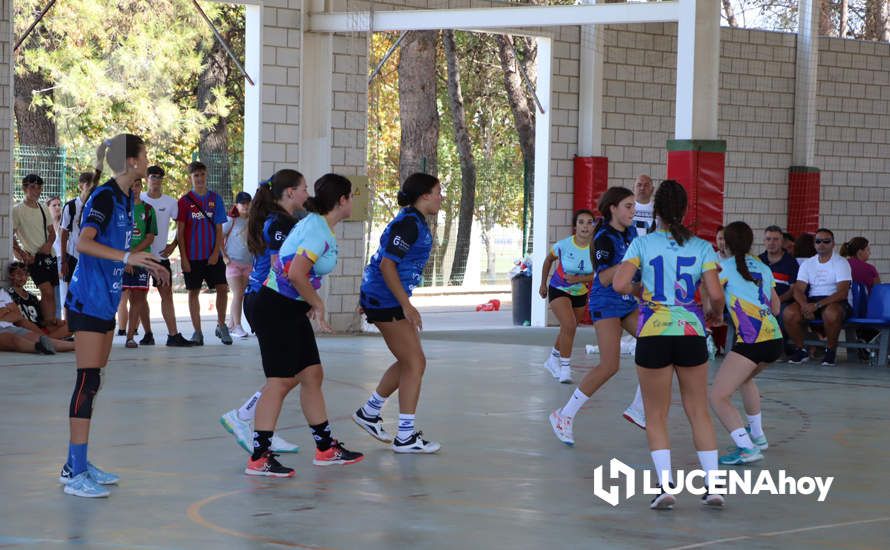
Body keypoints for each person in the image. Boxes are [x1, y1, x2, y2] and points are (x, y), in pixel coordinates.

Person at [61, 134, 168, 497]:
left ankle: (75, 462)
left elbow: (119, 247)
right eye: (144, 155)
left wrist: (146, 262)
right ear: (133, 162)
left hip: (106, 300)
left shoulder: (125, 199)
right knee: (87, 381)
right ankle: (75, 473)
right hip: (87, 300)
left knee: (96, 379)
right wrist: (127, 259)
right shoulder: (105, 196)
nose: (147, 160)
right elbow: (83, 242)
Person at [613, 180, 726, 509]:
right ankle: (714, 485)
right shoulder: (703, 247)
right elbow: (716, 295)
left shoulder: (643, 245)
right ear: (686, 211)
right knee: (698, 410)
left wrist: (641, 293)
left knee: (656, 414)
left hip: (654, 333)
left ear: (657, 212)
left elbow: (620, 283)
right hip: (691, 333)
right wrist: (713, 314)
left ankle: (666, 486)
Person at [246, 173, 363, 477]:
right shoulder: (317, 230)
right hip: (275, 308)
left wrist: (307, 301)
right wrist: (318, 303)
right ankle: (259, 456)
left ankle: (325, 449)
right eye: (351, 196)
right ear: (342, 200)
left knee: (312, 374)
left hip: (290, 308)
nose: (353, 201)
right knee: (280, 381)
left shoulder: (318, 225)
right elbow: (297, 273)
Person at [353, 173, 443, 453]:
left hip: (383, 297)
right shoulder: (408, 224)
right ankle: (404, 436)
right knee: (414, 363)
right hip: (386, 301)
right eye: (438, 191)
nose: (442, 197)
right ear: (424, 194)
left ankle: (371, 411)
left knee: (411, 362)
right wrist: (406, 305)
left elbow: (382, 260)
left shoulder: (413, 220)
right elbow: (386, 266)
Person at [219, 170, 306, 456]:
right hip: (267, 301)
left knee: (294, 372)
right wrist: (309, 295)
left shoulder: (280, 220)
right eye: (304, 188)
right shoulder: (277, 222)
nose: (307, 193)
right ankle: (253, 428)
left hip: (271, 301)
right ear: (289, 192)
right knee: (284, 374)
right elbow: (281, 267)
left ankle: (255, 425)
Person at [549, 187, 641, 445]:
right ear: (613, 208)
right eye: (628, 206)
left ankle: (639, 406)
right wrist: (628, 267)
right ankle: (564, 415)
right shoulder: (603, 238)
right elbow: (602, 277)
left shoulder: (632, 232)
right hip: (606, 302)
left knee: (655, 342)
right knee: (610, 365)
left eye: (634, 206)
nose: (633, 211)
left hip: (626, 299)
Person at [710, 221, 782, 466]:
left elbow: (712, 303)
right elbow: (776, 307)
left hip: (753, 340)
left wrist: (716, 312)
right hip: (774, 338)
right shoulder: (763, 266)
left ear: (726, 244)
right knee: (745, 379)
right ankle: (758, 436)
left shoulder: (724, 268)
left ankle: (746, 447)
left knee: (719, 396)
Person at [177, 161, 231, 345]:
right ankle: (197, 332)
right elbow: (180, 232)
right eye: (196, 176)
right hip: (192, 257)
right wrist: (184, 257)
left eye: (202, 175)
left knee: (222, 288)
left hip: (212, 255)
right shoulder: (184, 202)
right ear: (190, 178)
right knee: (193, 292)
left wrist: (216, 253)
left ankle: (221, 325)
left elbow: (219, 229)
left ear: (206, 175)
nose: (199, 179)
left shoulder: (215, 199)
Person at [539, 209, 597, 384]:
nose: (585, 226)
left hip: (580, 293)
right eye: (581, 222)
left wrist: (579, 279)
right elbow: (548, 260)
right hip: (559, 289)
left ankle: (552, 360)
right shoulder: (563, 245)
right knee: (569, 324)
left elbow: (599, 274)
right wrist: (543, 284)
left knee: (568, 328)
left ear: (594, 226)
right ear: (575, 226)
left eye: (589, 222)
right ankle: (565, 368)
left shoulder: (596, 248)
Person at [140, 165, 193, 347]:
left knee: (167, 295)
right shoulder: (138, 199)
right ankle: (147, 333)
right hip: (140, 256)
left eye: (159, 177)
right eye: (153, 176)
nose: (156, 180)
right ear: (147, 179)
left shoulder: (170, 202)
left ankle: (173, 334)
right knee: (139, 297)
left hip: (160, 258)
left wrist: (173, 245)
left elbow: (181, 227)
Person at [784, 228, 852, 367]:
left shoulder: (841, 263)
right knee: (789, 313)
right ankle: (801, 350)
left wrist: (816, 306)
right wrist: (804, 305)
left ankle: (830, 350)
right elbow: (798, 289)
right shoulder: (808, 264)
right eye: (818, 241)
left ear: (833, 244)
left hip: (835, 300)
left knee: (831, 314)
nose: (822, 244)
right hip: (812, 301)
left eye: (826, 241)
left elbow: (842, 293)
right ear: (814, 244)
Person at [12, 174, 59, 326]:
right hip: (33, 259)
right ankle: (47, 324)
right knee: (47, 292)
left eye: (39, 188)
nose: (36, 191)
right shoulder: (17, 210)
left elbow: (52, 233)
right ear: (24, 188)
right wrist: (21, 253)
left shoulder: (43, 207)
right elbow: (11, 237)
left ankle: (49, 324)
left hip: (48, 257)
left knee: (51, 295)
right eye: (32, 187)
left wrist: (48, 245)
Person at [121, 179, 157, 348]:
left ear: (141, 187)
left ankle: (130, 336)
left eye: (137, 185)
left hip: (141, 259)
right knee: (117, 297)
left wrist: (132, 256)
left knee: (138, 298)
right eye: (131, 186)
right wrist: (125, 257)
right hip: (120, 259)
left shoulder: (148, 209)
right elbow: (116, 235)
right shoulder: (120, 208)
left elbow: (149, 237)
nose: (134, 189)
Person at [6, 262, 73, 342]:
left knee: (71, 326)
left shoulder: (32, 296)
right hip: (25, 331)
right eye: (19, 274)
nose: (23, 277)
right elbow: (17, 321)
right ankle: (52, 341)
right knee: (25, 324)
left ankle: (48, 340)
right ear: (11, 276)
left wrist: (54, 322)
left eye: (26, 274)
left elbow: (40, 321)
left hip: (40, 330)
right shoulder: (9, 295)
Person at [759, 225, 799, 354]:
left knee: (781, 312)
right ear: (764, 241)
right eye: (768, 239)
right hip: (760, 302)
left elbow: (793, 289)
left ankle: (780, 348)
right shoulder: (757, 261)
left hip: (783, 301)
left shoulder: (791, 262)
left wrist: (776, 300)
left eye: (775, 239)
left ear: (782, 242)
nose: (771, 243)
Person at [61, 173, 97, 316]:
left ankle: (86, 325)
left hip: (91, 256)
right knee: (71, 293)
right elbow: (63, 233)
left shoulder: (97, 206)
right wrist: (63, 260)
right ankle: (69, 327)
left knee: (89, 292)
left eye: (93, 185)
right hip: (73, 256)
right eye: (87, 185)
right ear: (80, 186)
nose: (90, 189)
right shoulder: (70, 207)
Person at [0, 287, 71, 353]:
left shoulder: (2, 292)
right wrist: (7, 311)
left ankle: (75, 345)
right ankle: (38, 347)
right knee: (13, 339)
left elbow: (17, 315)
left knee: (37, 337)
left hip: (13, 327)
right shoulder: (11, 293)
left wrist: (4, 313)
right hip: (5, 331)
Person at [222, 191, 254, 338]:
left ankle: (230, 324)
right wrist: (224, 257)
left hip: (248, 263)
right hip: (233, 263)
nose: (245, 206)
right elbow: (218, 238)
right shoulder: (231, 219)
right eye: (242, 203)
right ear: (236, 205)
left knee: (240, 294)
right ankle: (237, 326)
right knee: (238, 294)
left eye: (248, 202)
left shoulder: (253, 221)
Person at [47, 196, 64, 320]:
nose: (58, 207)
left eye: (59, 204)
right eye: (54, 205)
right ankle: (54, 322)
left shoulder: (65, 223)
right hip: (49, 261)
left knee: (62, 296)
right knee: (52, 296)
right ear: (48, 208)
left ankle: (64, 324)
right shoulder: (45, 225)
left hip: (63, 260)